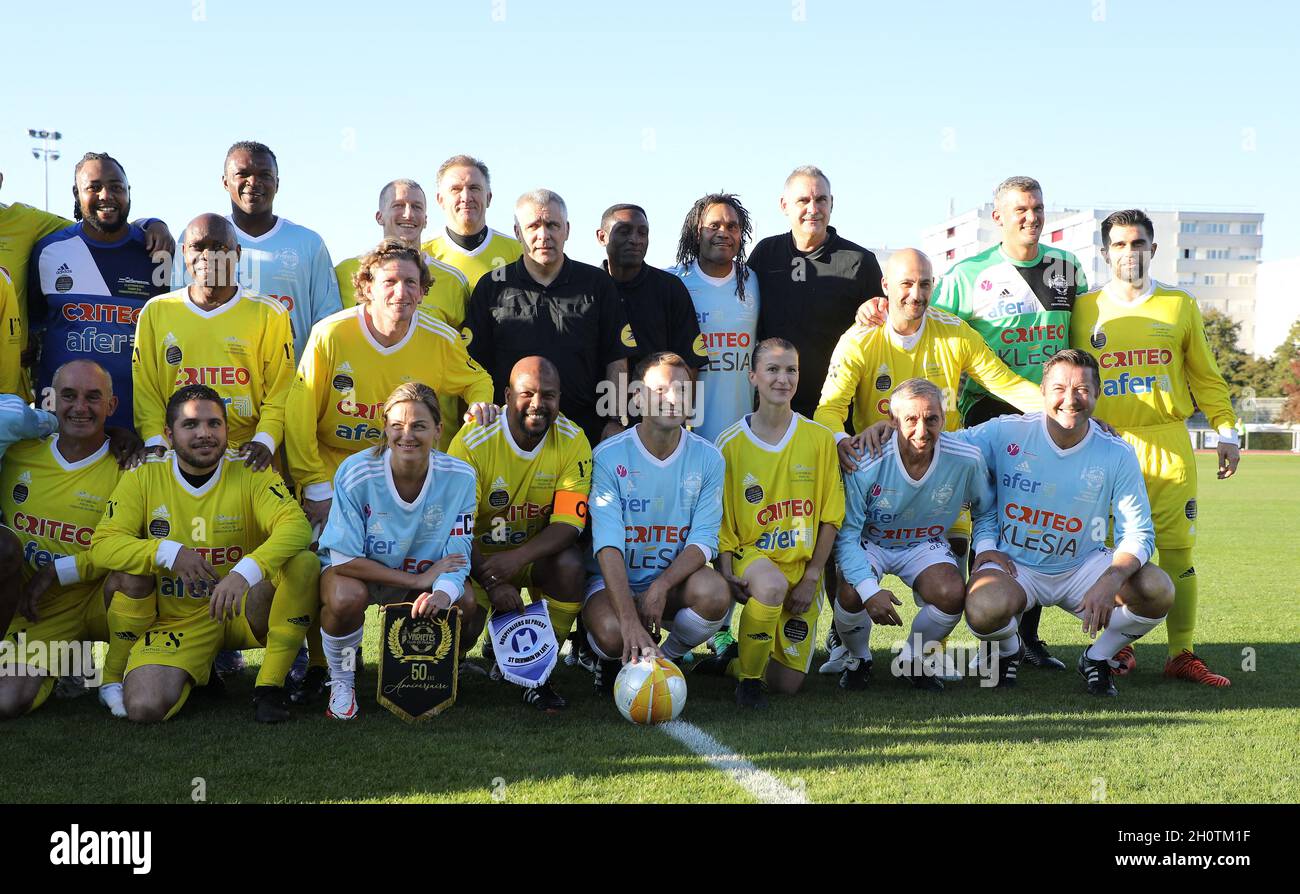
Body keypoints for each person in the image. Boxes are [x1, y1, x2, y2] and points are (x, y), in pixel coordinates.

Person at [863, 176, 1092, 671]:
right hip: (983, 422)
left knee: (1028, 527)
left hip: (1046, 417)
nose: (1030, 217)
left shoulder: (1067, 268)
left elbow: (1079, 348)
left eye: (1037, 208)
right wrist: (876, 310)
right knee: (975, 524)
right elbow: (920, 323)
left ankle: (1021, 641)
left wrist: (1067, 406)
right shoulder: (964, 276)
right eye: (1019, 209)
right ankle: (979, 638)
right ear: (998, 218)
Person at [1071, 209, 1240, 687]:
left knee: (1176, 552)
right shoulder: (1083, 310)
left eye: (1138, 243)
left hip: (1166, 442)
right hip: (1103, 447)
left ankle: (1181, 653)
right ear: (1106, 253)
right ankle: (1115, 650)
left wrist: (1226, 430)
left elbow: (1205, 376)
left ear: (1153, 249)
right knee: (1108, 557)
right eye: (1120, 244)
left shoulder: (1179, 305)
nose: (1130, 252)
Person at [946, 349, 1175, 695]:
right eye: (1059, 389)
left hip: (1082, 565)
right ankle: (1010, 650)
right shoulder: (1005, 432)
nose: (1070, 400)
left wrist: (1112, 578)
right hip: (1016, 567)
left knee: (1158, 590)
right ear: (1042, 392)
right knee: (982, 607)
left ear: (1097, 394)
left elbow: (1139, 532)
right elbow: (940, 446)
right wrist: (878, 435)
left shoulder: (1116, 452)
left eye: (1082, 389)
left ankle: (1097, 658)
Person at [88, 384, 320, 722]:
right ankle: (200, 672)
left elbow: (296, 527)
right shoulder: (144, 474)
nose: (205, 434)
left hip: (243, 608)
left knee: (304, 562)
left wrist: (245, 572)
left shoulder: (249, 468)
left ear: (226, 428)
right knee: (143, 708)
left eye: (214, 424)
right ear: (168, 433)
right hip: (179, 620)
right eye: (191, 425)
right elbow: (103, 545)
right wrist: (169, 552)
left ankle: (269, 687)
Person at [285, 240, 497, 532]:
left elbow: (478, 379)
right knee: (327, 566)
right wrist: (315, 486)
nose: (401, 292)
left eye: (411, 282)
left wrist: (478, 403)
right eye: (390, 281)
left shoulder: (441, 340)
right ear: (367, 288)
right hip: (335, 473)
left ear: (423, 291)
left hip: (404, 474)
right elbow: (299, 416)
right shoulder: (331, 334)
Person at [316, 382, 477, 721]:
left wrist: (443, 594)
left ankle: (439, 674)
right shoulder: (357, 471)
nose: (408, 435)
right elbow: (343, 560)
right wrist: (415, 579)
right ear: (385, 428)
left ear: (437, 429)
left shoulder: (461, 477)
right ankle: (342, 680)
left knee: (465, 603)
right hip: (361, 573)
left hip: (420, 577)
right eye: (397, 425)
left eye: (419, 425)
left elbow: (459, 553)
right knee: (346, 598)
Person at [703, 338, 845, 708]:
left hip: (802, 571)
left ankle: (733, 664)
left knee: (787, 684)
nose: (783, 379)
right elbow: (721, 520)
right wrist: (728, 571)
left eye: (791, 370)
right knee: (770, 586)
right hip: (755, 558)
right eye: (772, 369)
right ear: (753, 376)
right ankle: (748, 684)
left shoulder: (818, 439)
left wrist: (813, 575)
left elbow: (831, 515)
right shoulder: (729, 443)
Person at [832, 378, 997, 692]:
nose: (922, 430)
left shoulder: (966, 460)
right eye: (911, 419)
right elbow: (847, 535)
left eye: (932, 419)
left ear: (944, 418)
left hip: (922, 542)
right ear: (893, 422)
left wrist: (986, 545)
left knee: (951, 593)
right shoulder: (865, 462)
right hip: (871, 540)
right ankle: (858, 659)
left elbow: (985, 509)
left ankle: (912, 659)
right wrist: (869, 591)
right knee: (852, 592)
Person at [447, 357, 590, 710]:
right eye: (527, 393)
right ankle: (454, 663)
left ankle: (539, 671)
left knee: (570, 566)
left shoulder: (573, 440)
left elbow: (569, 524)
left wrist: (516, 560)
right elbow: (456, 523)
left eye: (549, 395)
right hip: (475, 557)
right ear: (507, 395)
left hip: (530, 556)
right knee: (463, 613)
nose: (538, 404)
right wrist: (493, 582)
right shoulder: (473, 440)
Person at [584, 352, 730, 693]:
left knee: (715, 593)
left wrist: (661, 586)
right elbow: (607, 544)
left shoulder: (709, 457)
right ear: (637, 396)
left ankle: (666, 658)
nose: (672, 398)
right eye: (660, 390)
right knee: (611, 633)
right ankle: (610, 658)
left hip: (671, 583)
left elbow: (704, 540)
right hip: (614, 583)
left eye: (681, 390)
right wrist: (629, 619)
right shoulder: (608, 455)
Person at [0, 361, 125, 717]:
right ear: (51, 402)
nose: (80, 408)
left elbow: (132, 547)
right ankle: (67, 658)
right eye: (69, 396)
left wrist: (60, 571)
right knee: (6, 701)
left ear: (111, 406)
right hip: (36, 608)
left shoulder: (130, 467)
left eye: (93, 397)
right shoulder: (17, 453)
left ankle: (132, 665)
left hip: (98, 600)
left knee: (136, 577)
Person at [465, 189, 635, 447]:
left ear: (566, 230)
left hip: (585, 432)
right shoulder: (492, 287)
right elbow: (473, 364)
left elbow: (617, 358)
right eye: (533, 226)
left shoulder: (597, 284)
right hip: (509, 437)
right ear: (517, 232)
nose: (543, 235)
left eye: (552, 225)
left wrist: (615, 419)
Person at [133, 214, 294, 471]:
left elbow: (280, 392)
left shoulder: (270, 313)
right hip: (177, 457)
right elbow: (146, 390)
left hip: (248, 457)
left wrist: (264, 441)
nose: (209, 257)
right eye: (198, 247)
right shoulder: (156, 311)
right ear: (184, 253)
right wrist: (156, 440)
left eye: (220, 248)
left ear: (237, 254)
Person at [1, 169, 173, 402]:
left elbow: (99, 225)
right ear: (77, 192)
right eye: (94, 187)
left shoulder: (28, 223)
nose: (105, 194)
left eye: (116, 186)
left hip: (132, 409)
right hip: (55, 405)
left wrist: (152, 223)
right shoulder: (46, 246)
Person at [335, 179, 472, 449]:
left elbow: (466, 364)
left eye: (416, 207)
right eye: (399, 205)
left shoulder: (454, 281)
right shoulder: (344, 272)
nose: (408, 214)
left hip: (431, 443)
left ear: (425, 218)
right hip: (360, 433)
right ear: (379, 216)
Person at [178, 141, 341, 362]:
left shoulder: (309, 242)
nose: (253, 182)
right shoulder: (196, 239)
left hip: (288, 384)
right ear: (225, 182)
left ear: (277, 182)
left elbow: (326, 323)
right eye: (242, 174)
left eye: (264, 175)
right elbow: (178, 313)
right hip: (214, 379)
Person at [746, 165, 884, 420]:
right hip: (774, 408)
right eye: (803, 200)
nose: (813, 209)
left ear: (832, 203)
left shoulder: (860, 261)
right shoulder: (765, 255)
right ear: (784, 205)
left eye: (821, 200)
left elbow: (884, 337)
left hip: (838, 411)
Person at [669, 192, 760, 445]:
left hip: (744, 434)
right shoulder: (674, 281)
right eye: (714, 226)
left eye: (732, 226)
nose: (723, 232)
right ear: (698, 232)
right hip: (686, 436)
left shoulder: (754, 280)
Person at [597, 203, 704, 378]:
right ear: (602, 237)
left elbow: (690, 364)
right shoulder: (587, 289)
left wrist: (678, 404)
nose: (635, 239)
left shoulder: (670, 288)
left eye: (642, 232)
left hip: (657, 403)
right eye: (624, 231)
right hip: (595, 403)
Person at [421, 155, 523, 288]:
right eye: (456, 189)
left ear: (489, 197)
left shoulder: (517, 252)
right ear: (440, 200)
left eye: (474, 188)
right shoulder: (423, 255)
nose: (466, 197)